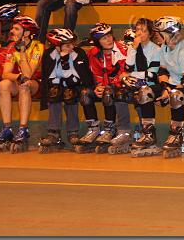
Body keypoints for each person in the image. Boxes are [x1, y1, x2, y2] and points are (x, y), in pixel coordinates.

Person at [38, 28, 94, 153]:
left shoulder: (78, 53)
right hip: (57, 86)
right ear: (57, 47)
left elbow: (84, 78)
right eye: (68, 45)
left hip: (75, 86)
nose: (72, 47)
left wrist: (66, 63)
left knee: (69, 93)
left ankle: (72, 132)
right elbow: (48, 78)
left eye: (72, 44)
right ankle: (53, 132)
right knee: (54, 91)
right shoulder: (49, 55)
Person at [78, 23, 130, 154]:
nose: (109, 40)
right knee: (85, 93)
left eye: (110, 36)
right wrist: (97, 87)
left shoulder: (123, 49)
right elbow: (96, 74)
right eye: (104, 38)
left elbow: (124, 74)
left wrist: (106, 87)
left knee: (108, 92)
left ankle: (109, 130)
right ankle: (93, 129)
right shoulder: (93, 53)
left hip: (120, 87)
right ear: (97, 42)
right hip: (105, 86)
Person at [0, 16, 42, 152]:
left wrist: (22, 52)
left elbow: (29, 74)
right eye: (12, 28)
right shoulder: (11, 46)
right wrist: (18, 77)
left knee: (24, 85)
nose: (12, 31)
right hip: (20, 81)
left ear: (26, 33)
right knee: (3, 84)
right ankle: (7, 128)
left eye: (16, 29)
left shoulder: (38, 46)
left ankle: (23, 128)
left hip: (37, 83)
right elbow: (6, 73)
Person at [154, 16, 184, 158]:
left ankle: (176, 134)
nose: (156, 35)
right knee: (145, 92)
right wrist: (165, 88)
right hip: (173, 84)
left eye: (158, 32)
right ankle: (148, 132)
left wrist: (170, 92)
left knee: (175, 96)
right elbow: (162, 71)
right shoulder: (164, 47)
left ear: (168, 33)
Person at [124, 18, 162, 157]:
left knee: (144, 92)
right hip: (136, 83)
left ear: (150, 34)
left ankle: (148, 134)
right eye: (138, 30)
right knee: (116, 93)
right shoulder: (133, 47)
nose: (140, 33)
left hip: (152, 85)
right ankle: (122, 132)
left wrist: (131, 74)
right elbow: (127, 67)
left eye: (144, 31)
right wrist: (134, 48)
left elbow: (152, 74)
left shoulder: (156, 50)